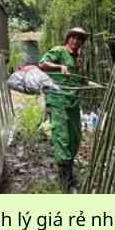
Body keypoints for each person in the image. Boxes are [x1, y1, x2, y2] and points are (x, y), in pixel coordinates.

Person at [38, 27, 88, 192]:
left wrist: (82, 70)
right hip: (58, 101)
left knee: (75, 137)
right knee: (62, 138)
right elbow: (42, 64)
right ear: (68, 38)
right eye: (73, 38)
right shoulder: (59, 51)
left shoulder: (78, 57)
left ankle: (70, 174)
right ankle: (65, 181)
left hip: (72, 102)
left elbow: (81, 80)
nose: (76, 41)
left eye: (79, 39)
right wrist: (59, 67)